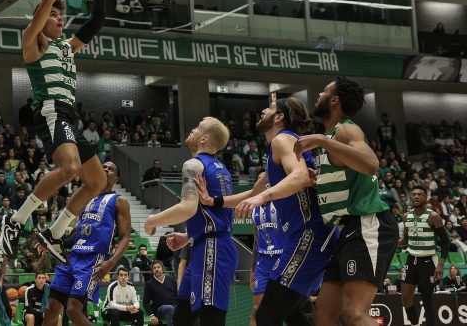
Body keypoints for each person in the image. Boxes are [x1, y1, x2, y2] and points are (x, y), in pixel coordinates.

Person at [0, 0, 109, 264]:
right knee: (71, 168)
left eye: (63, 15)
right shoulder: (33, 43)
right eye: (54, 15)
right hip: (51, 110)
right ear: (41, 18)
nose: (60, 19)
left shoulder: (67, 47)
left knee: (98, 180)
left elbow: (96, 22)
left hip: (70, 117)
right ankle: (15, 220)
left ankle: (55, 233)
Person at [200, 98, 337, 326]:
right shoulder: (276, 152)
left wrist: (264, 196)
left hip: (310, 235)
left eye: (270, 109)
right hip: (305, 237)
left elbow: (301, 177)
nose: (263, 110)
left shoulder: (282, 140)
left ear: (279, 117)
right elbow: (249, 194)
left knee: (266, 316)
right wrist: (212, 201)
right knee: (292, 313)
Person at [293, 76, 399, 326]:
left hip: (368, 223)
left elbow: (371, 165)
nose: (318, 95)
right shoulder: (333, 135)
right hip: (348, 229)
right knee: (324, 316)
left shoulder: (345, 129)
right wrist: (320, 179)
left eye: (323, 91)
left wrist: (320, 140)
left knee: (354, 314)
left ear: (335, 100)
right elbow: (347, 175)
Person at [144, 117, 236, 326]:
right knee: (182, 317)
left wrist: (152, 220)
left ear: (203, 138)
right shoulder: (221, 168)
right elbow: (214, 215)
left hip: (213, 248)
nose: (191, 130)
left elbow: (188, 207)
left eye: (196, 128)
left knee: (211, 319)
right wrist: (188, 236)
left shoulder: (193, 164)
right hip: (206, 244)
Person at [42, 161, 131, 326]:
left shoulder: (119, 201)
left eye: (111, 169)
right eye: (103, 167)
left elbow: (125, 237)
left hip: (93, 259)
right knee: (50, 309)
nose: (106, 169)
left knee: (73, 309)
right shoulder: (86, 199)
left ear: (116, 178)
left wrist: (111, 262)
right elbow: (77, 232)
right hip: (73, 256)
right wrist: (52, 243)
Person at [399, 185, 449, 326]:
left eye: (419, 194)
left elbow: (445, 242)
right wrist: (390, 243)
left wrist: (440, 264)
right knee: (405, 299)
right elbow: (405, 240)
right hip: (411, 260)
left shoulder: (433, 216)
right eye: (413, 194)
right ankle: (415, 323)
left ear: (425, 198)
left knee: (426, 299)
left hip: (428, 262)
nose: (416, 196)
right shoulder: (406, 217)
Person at [142, 261, 177, 326]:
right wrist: (151, 315)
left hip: (175, 306)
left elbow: (178, 295)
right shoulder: (149, 284)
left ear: (162, 269)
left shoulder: (172, 279)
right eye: (154, 268)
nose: (157, 269)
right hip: (160, 309)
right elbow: (146, 302)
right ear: (152, 271)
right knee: (170, 308)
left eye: (158, 267)